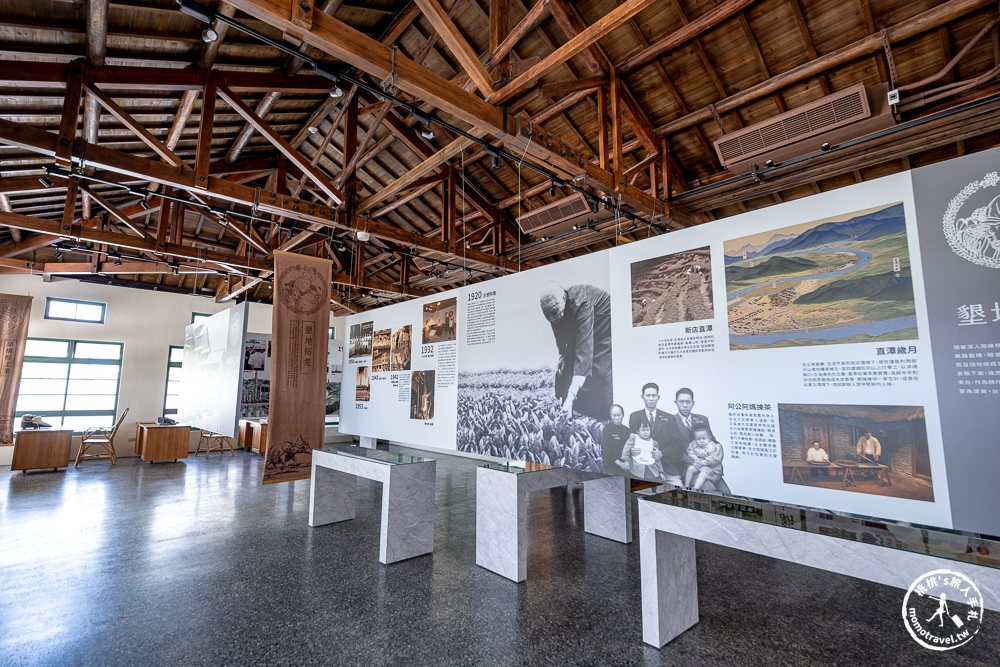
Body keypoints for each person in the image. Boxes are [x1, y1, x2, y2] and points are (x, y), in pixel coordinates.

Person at [539, 281, 612, 421]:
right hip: (585, 331)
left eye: (554, 313)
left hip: (605, 329)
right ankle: (572, 408)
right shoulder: (553, 308)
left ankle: (602, 416)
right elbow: (560, 334)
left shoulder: (581, 303)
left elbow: (584, 355)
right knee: (565, 369)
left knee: (599, 372)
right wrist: (562, 356)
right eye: (547, 316)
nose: (552, 319)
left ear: (564, 300)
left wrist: (571, 398)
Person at [664, 388, 710, 479]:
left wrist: (709, 462)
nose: (685, 405)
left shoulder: (703, 419)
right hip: (686, 466)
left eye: (688, 402)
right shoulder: (670, 421)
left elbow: (712, 442)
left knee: (725, 491)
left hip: (707, 465)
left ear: (693, 403)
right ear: (676, 402)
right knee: (708, 487)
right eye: (681, 402)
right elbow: (676, 450)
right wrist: (696, 464)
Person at [684, 425, 725, 491]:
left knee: (702, 475)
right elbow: (690, 452)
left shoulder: (715, 446)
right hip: (699, 464)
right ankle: (686, 487)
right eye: (698, 439)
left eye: (704, 438)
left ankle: (695, 489)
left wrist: (703, 462)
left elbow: (715, 459)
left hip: (714, 470)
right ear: (695, 439)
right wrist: (696, 459)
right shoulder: (693, 444)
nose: (701, 441)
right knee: (690, 469)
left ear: (709, 438)